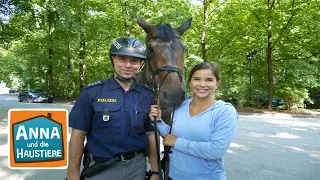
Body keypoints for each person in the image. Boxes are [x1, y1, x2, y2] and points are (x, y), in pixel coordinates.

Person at [67, 37, 160, 180]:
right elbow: (78, 135)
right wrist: (73, 175)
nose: (128, 65)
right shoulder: (91, 93)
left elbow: (150, 135)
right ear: (113, 59)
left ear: (141, 64)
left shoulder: (148, 95)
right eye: (122, 59)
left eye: (134, 61)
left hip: (137, 167)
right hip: (102, 168)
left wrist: (155, 171)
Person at [149, 62, 238, 180]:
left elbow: (215, 151)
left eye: (209, 80)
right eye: (197, 79)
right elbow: (171, 136)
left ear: (217, 83)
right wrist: (158, 121)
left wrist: (177, 142)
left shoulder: (224, 111)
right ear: (190, 82)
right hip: (174, 176)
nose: (202, 84)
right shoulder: (180, 106)